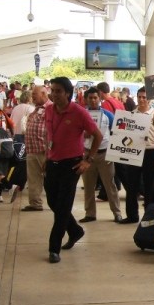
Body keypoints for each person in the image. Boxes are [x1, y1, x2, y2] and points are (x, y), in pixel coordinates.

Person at [44, 77, 102, 264]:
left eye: (58, 91)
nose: (54, 94)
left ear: (68, 93)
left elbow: (97, 136)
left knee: (62, 208)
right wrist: (47, 157)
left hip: (72, 165)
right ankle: (75, 230)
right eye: (52, 90)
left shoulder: (79, 112)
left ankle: (54, 248)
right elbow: (50, 137)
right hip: (52, 163)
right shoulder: (49, 110)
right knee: (53, 202)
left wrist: (88, 160)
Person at [117, 87, 154, 225]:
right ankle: (132, 215)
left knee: (150, 186)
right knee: (132, 185)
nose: (142, 99)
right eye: (139, 97)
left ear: (148, 99)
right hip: (134, 152)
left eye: (144, 97)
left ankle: (149, 216)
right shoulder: (131, 114)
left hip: (151, 152)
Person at [79, 88, 122, 224]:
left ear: (99, 99)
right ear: (86, 99)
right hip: (87, 155)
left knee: (110, 185)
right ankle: (90, 213)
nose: (93, 100)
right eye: (90, 98)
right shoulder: (82, 115)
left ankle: (117, 213)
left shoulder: (108, 115)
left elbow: (116, 132)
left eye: (95, 98)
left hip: (105, 154)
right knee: (88, 186)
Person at [22, 85, 50, 212]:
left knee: (51, 179)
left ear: (44, 94)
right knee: (33, 178)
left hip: (44, 150)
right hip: (32, 149)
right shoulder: (36, 109)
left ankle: (57, 203)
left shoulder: (51, 108)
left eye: (35, 95)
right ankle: (35, 203)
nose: (32, 97)